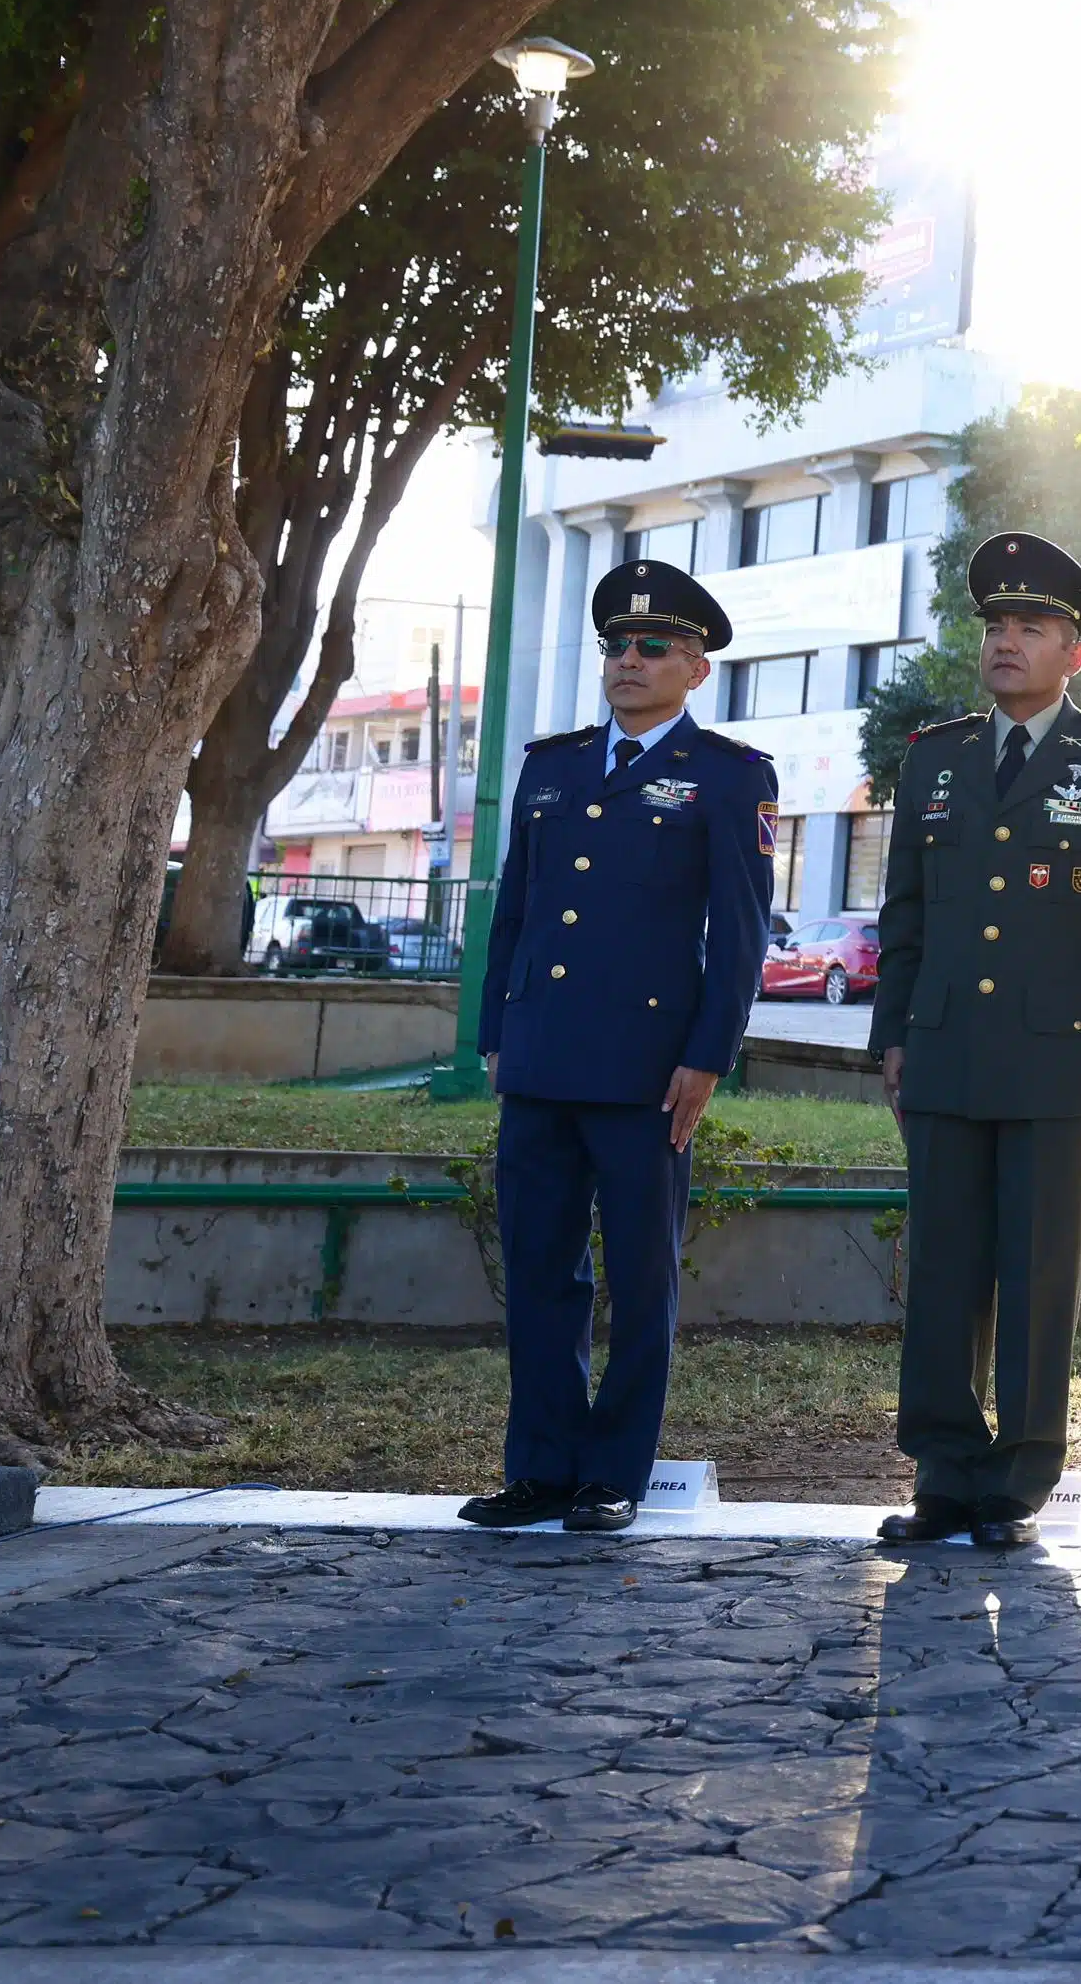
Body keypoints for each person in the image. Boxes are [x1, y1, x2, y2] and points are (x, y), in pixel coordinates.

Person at [872, 533, 1081, 1550]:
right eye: (996, 625)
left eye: (1030, 627)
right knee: (946, 1266)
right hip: (947, 1050)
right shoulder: (935, 759)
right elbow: (904, 913)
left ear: (1072, 652)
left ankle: (1019, 1475)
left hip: (1060, 1058)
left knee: (1040, 1270)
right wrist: (893, 1034)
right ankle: (943, 1471)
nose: (1006, 641)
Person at [459, 559, 774, 1532]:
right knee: (541, 1270)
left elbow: (741, 931)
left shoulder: (726, 776)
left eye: (650, 648)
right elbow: (514, 909)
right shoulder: (550, 765)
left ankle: (613, 1472)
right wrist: (495, 1035)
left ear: (695, 668)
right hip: (543, 1057)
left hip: (647, 1068)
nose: (626, 661)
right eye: (614, 646)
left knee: (641, 1276)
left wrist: (708, 1053)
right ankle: (540, 1466)